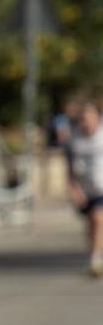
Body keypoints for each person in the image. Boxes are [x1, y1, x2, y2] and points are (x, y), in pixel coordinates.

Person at [64, 99, 103, 277]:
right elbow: (70, 168)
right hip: (85, 189)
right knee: (91, 224)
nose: (86, 123)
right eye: (83, 119)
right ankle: (95, 254)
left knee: (97, 218)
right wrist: (73, 189)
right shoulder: (74, 140)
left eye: (89, 119)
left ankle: (96, 259)